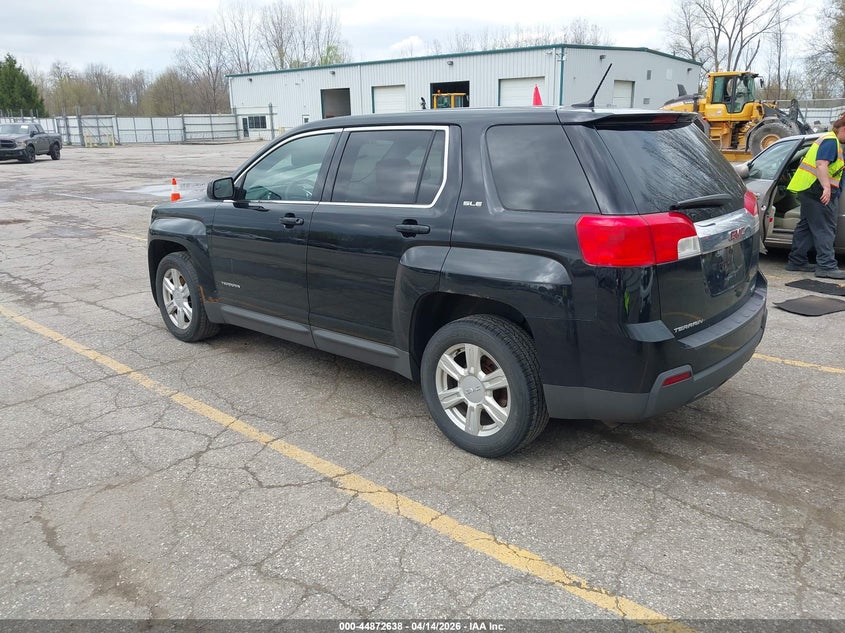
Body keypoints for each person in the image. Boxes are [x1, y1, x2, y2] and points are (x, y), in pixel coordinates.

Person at [784, 117, 845, 279]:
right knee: (825, 228)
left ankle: (796, 261)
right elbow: (821, 164)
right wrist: (826, 187)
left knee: (806, 227)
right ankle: (826, 266)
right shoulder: (831, 141)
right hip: (819, 191)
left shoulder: (828, 139)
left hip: (809, 189)